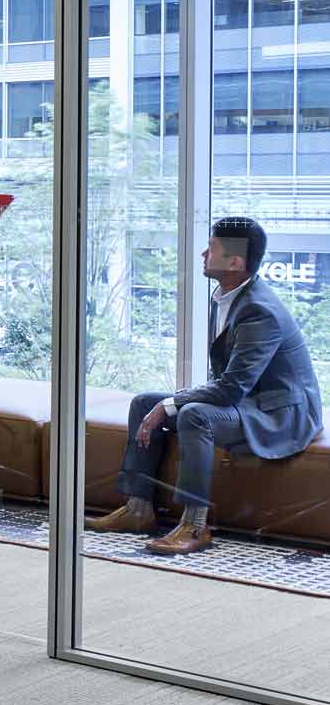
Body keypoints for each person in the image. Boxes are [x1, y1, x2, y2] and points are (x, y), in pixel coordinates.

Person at [88, 218, 323, 555]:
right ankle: (139, 511)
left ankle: (195, 526)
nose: (202, 252)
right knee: (143, 402)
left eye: (211, 248)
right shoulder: (227, 296)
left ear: (235, 262)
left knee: (195, 415)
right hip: (249, 400)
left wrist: (172, 404)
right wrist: (166, 403)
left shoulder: (260, 310)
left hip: (280, 414)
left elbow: (230, 389)